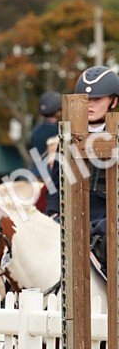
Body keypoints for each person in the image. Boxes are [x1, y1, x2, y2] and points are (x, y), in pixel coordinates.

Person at [43, 66, 119, 268]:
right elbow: (55, 183)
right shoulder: (67, 135)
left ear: (114, 101)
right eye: (86, 100)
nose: (90, 105)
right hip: (73, 214)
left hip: (109, 219)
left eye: (97, 99)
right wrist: (52, 213)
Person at [28, 90, 61, 172]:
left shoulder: (35, 130)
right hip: (51, 174)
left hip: (35, 172)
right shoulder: (59, 131)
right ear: (58, 110)